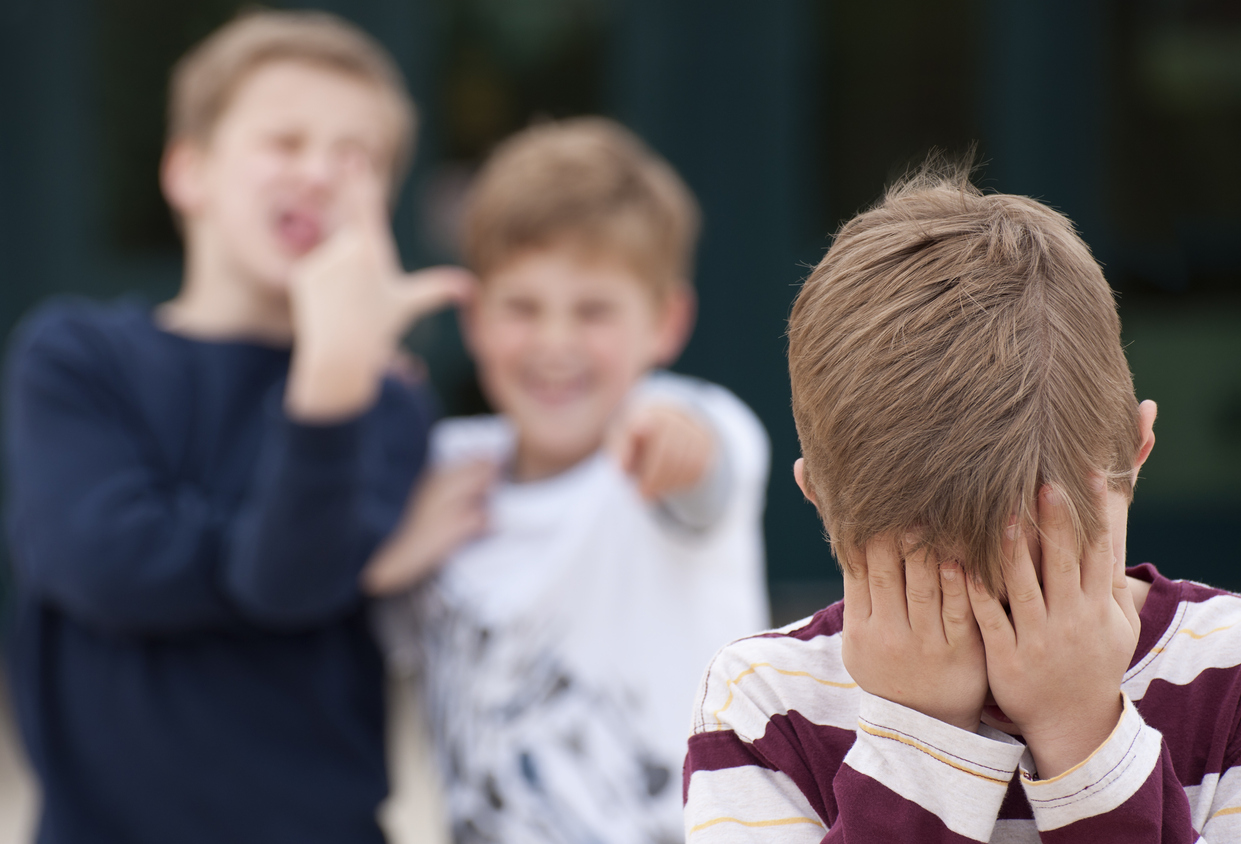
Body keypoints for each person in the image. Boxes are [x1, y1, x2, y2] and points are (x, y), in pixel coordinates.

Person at [3, 11, 469, 843]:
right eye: (285, 143)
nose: (320, 173)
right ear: (189, 172)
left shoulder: (387, 402)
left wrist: (334, 374)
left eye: (354, 157)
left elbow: (285, 579)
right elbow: (107, 564)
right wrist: (351, 567)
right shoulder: (74, 356)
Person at [681, 164, 1241, 842]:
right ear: (820, 503)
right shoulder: (764, 706)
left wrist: (1083, 730)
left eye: (1039, 574)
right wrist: (919, 739)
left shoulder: (1227, 676)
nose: (1012, 648)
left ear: (1136, 451)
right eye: (940, 587)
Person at [366, 117, 771, 844]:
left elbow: (709, 465)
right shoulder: (440, 470)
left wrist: (676, 441)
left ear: (666, 321)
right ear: (474, 319)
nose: (555, 343)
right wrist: (391, 551)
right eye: (522, 308)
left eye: (593, 311)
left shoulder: (682, 426)